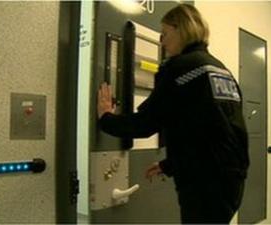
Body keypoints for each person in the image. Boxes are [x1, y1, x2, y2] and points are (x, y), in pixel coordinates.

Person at [97, 3, 249, 224]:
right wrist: (168, 165)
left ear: (181, 29)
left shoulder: (180, 69)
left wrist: (106, 118)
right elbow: (209, 130)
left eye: (165, 33)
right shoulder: (221, 70)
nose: (162, 41)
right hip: (231, 181)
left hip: (204, 184)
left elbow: (146, 123)